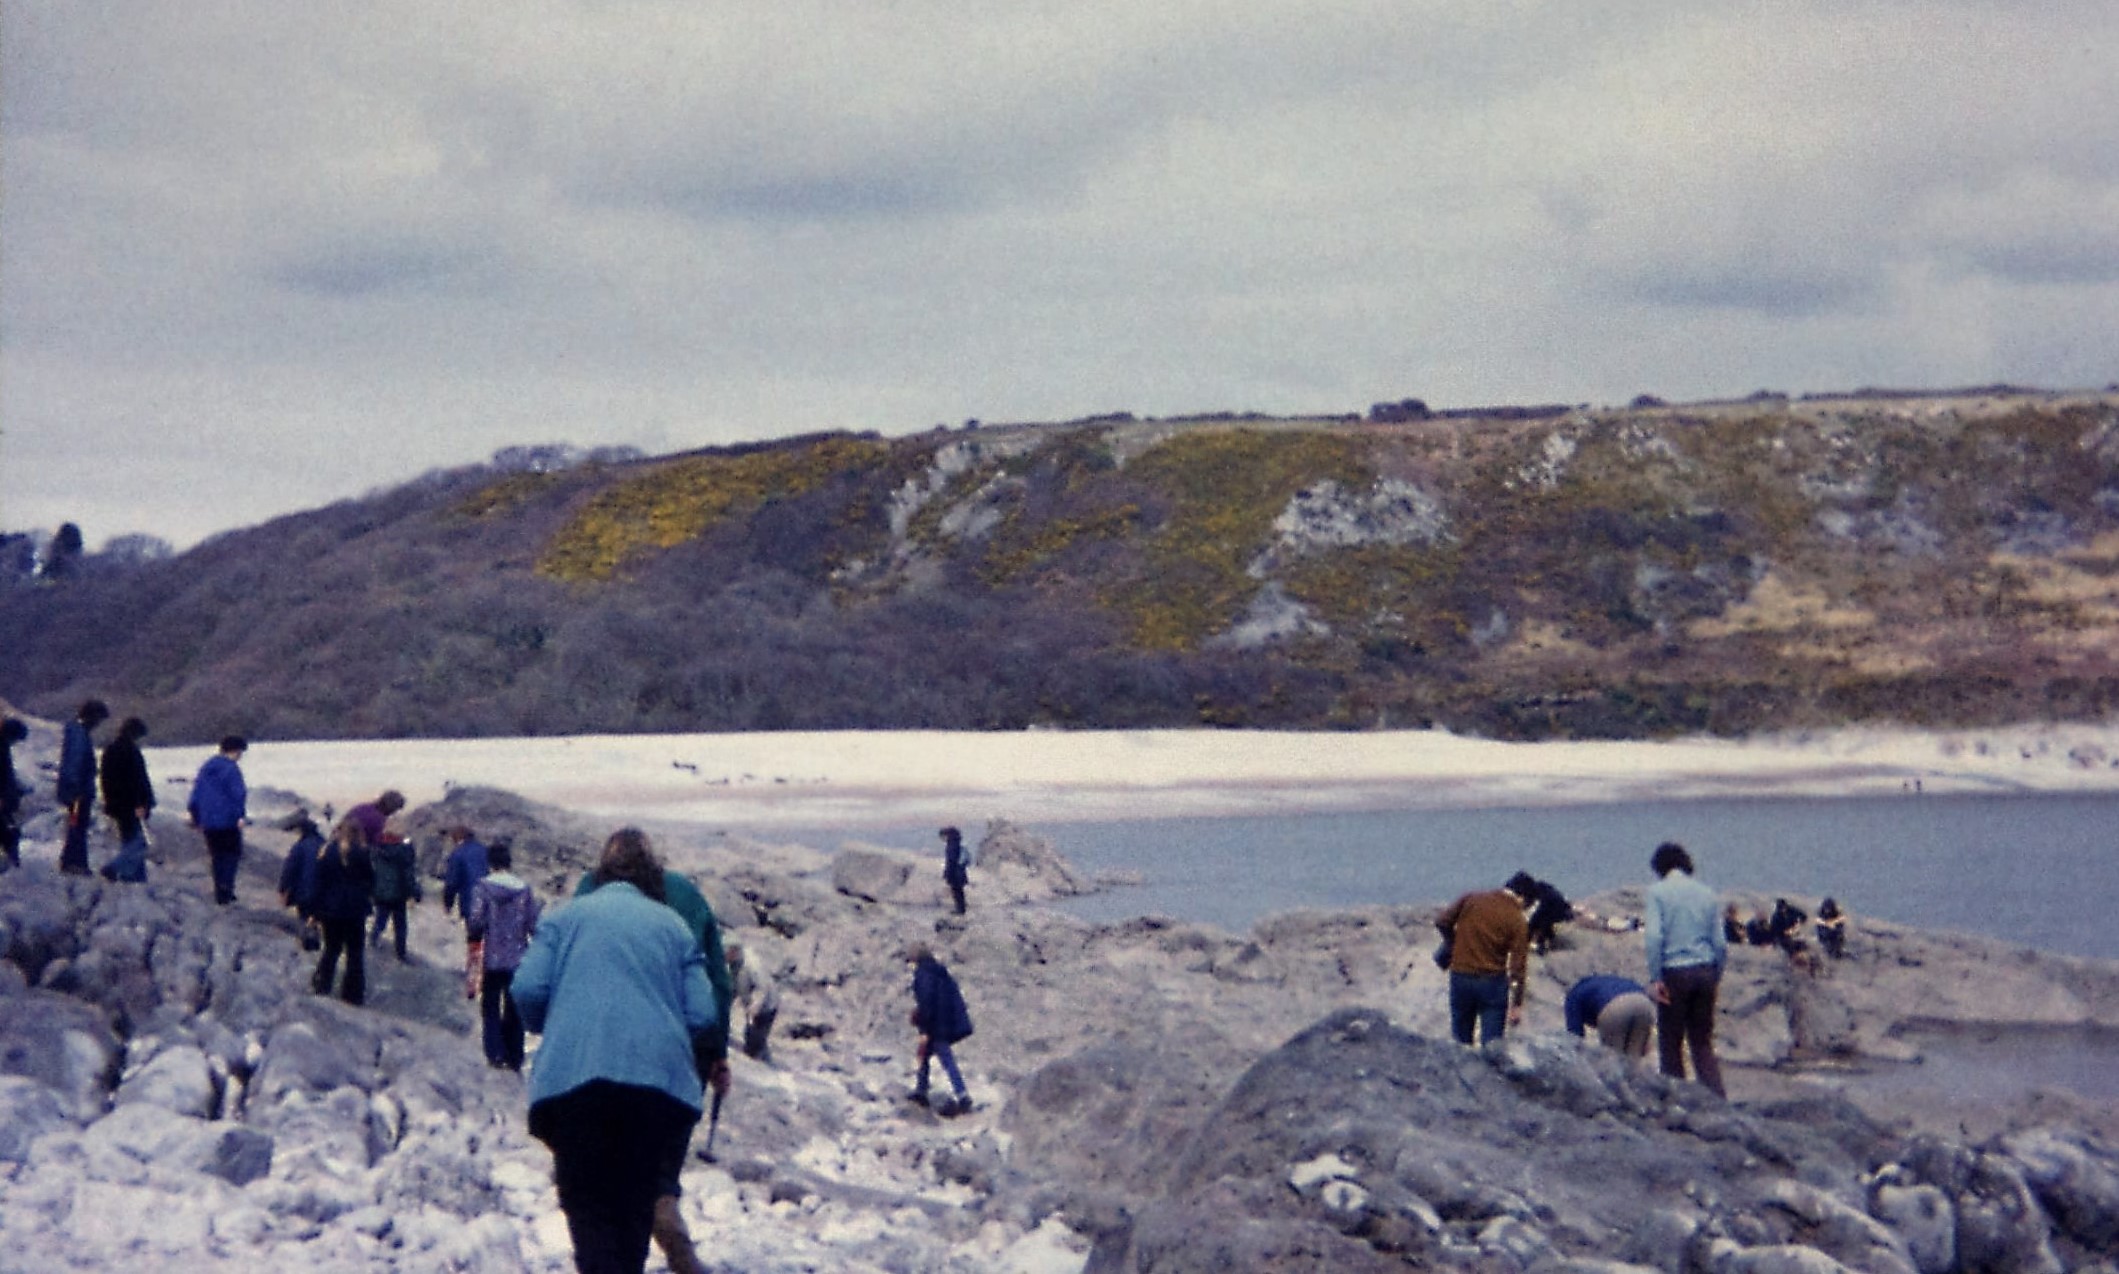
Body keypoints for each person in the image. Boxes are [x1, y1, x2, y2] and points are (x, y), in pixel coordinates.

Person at [513, 829, 718, 1274]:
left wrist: (557, 1025)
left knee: (589, 1210)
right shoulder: (673, 926)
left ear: (600, 872)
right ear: (651, 875)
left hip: (574, 1084)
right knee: (634, 1209)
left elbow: (527, 988)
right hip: (656, 1091)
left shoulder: (566, 918)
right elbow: (704, 1012)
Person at [573, 840, 733, 1274]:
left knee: (604, 1166)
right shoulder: (686, 896)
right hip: (680, 1051)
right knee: (658, 1159)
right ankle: (664, 1208)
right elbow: (717, 982)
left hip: (601, 1046)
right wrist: (717, 1053)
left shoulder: (588, 892)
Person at [1644, 841, 1727, 1097]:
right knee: (1702, 1043)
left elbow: (1654, 937)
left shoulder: (1657, 892)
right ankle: (1717, 1100)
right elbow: (1720, 943)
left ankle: (1677, 1101)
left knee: (1670, 1042)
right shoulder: (1707, 893)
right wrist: (1716, 974)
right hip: (1705, 970)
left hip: (1674, 972)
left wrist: (1656, 977)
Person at [1434, 874, 1534, 1046]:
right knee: (1492, 1045)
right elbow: (1518, 966)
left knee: (1460, 1041)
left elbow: (1442, 921)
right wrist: (1517, 1004)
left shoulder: (1471, 899)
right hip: (1492, 983)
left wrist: (1453, 942)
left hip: (1460, 976)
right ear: (1522, 898)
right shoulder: (1517, 919)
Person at [467, 841, 541, 1071]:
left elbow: (476, 920)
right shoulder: (524, 889)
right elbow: (533, 924)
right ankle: (515, 1055)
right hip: (517, 958)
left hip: (491, 957)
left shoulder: (482, 888)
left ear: (490, 863)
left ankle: (494, 1053)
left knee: (489, 1005)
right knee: (513, 1008)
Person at [310, 815, 376, 1005]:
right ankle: (353, 995)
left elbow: (319, 882)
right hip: (355, 910)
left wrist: (314, 912)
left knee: (331, 949)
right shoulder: (363, 853)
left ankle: (322, 985)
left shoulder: (327, 852)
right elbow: (371, 882)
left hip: (330, 909)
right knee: (355, 953)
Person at [907, 940, 975, 1115]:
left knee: (934, 1057)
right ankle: (922, 1090)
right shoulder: (941, 973)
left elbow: (926, 1001)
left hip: (934, 1025)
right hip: (945, 1023)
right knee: (931, 1056)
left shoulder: (923, 975)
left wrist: (922, 1022)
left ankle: (961, 1095)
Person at [187, 735, 249, 904]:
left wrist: (196, 817)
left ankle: (219, 889)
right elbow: (239, 795)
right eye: (240, 752)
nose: (241, 756)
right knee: (231, 855)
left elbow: (195, 796)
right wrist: (240, 816)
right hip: (227, 821)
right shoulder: (231, 769)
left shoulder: (206, 767)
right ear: (236, 751)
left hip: (208, 821)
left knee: (216, 856)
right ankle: (226, 890)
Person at [98, 717, 155, 882]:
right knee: (138, 842)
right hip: (131, 804)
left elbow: (107, 780)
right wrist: (141, 803)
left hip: (116, 803)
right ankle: (117, 867)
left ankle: (133, 874)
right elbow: (136, 780)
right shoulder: (129, 751)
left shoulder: (111, 750)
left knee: (128, 838)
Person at [57, 699, 109, 875]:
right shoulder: (79, 734)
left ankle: (71, 860)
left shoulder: (75, 731)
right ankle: (74, 862)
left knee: (76, 823)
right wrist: (76, 787)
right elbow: (75, 762)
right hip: (78, 790)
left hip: (76, 788)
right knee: (77, 824)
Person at [443, 825, 493, 997]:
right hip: (491, 902)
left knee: (474, 942)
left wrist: (448, 903)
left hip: (470, 903)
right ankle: (488, 976)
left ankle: (473, 982)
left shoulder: (457, 854)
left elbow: (452, 882)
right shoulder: (484, 850)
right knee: (490, 940)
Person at [1563, 974, 1655, 1059]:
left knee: (1613, 1058)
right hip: (1644, 1003)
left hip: (1616, 1007)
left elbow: (1575, 1038)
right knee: (1634, 1059)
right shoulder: (1604, 982)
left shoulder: (1573, 997)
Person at [369, 826, 423, 962]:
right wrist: (415, 892)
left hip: (380, 892)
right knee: (400, 925)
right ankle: (401, 953)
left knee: (381, 917)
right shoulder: (403, 853)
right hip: (399, 894)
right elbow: (408, 875)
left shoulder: (376, 851)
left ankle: (373, 939)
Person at [277, 809, 325, 948]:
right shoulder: (325, 844)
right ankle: (315, 940)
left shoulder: (300, 847)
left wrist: (283, 889)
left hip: (304, 891)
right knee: (316, 917)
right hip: (322, 891)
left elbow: (289, 870)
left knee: (304, 917)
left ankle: (307, 942)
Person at [726, 942, 781, 1062]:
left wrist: (754, 1007)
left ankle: (763, 1060)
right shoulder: (734, 964)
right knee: (750, 1034)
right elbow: (734, 985)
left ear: (734, 952)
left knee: (755, 1038)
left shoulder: (752, 964)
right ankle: (759, 1050)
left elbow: (763, 989)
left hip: (767, 1004)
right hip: (750, 1001)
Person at [1509, 871, 1574, 955]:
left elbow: (1532, 924)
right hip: (1559, 913)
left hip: (1558, 917)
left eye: (1517, 895)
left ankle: (1543, 945)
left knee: (1540, 928)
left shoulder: (1540, 902)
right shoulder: (1541, 888)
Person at [0, 717, 28, 870]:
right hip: (2, 801)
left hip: (5, 799)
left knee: (9, 831)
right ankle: (13, 865)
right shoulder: (1, 748)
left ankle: (12, 864)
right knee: (10, 832)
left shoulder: (3, 747)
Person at [940, 826, 970, 916]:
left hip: (955, 873)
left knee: (956, 891)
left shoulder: (951, 845)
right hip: (959, 871)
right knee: (959, 891)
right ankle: (961, 908)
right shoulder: (956, 843)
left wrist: (947, 872)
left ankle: (960, 909)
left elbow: (951, 860)